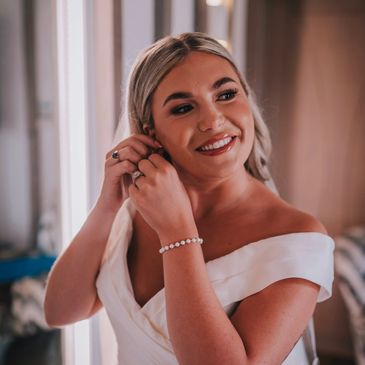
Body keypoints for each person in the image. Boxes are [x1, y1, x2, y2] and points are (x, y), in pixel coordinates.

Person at [44, 32, 334, 365]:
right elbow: (60, 311)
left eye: (226, 94)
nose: (213, 120)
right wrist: (107, 205)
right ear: (149, 130)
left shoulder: (297, 238)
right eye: (183, 108)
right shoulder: (135, 209)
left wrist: (177, 233)